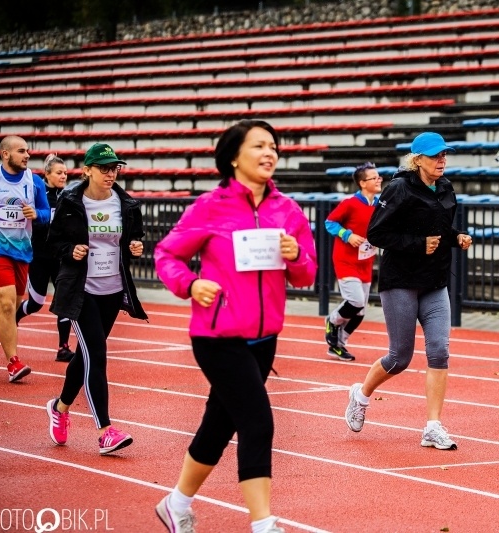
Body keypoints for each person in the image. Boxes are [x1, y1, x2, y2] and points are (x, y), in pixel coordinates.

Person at [154, 119, 317, 533]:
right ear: (232, 157)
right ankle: (263, 524)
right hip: (217, 336)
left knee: (219, 422)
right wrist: (191, 283)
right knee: (257, 421)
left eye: (274, 147)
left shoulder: (288, 211)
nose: (270, 153)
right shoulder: (211, 206)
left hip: (264, 339)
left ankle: (176, 504)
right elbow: (166, 255)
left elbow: (306, 275)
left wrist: (296, 253)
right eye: (259, 146)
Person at [344, 131, 472, 450]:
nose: (442, 160)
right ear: (417, 160)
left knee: (439, 351)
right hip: (400, 280)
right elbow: (377, 233)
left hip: (435, 281)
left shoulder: (445, 187)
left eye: (444, 155)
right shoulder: (399, 188)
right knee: (400, 357)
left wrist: (456, 237)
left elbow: (441, 229)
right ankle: (361, 395)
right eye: (435, 156)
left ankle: (432, 426)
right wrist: (417, 244)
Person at [44, 142, 148, 455]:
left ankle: (59, 407)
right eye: (104, 167)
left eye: (114, 167)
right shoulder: (71, 200)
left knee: (85, 355)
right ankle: (105, 430)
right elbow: (54, 242)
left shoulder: (126, 203)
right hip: (81, 289)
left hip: (113, 290)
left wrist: (134, 247)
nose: (110, 173)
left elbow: (134, 237)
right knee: (97, 355)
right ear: (87, 170)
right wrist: (69, 251)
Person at [0, 135, 51, 382]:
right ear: (5, 154)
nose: (27, 155)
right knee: (5, 303)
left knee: (10, 305)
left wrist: (37, 214)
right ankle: (13, 363)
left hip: (22, 253)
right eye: (21, 151)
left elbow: (46, 214)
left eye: (28, 152)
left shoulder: (34, 182)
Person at [15, 153, 74, 362]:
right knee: (36, 303)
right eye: (59, 172)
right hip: (40, 257)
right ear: (47, 175)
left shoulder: (69, 196)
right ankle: (14, 316)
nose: (63, 176)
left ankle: (63, 348)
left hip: (61, 258)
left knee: (65, 301)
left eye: (65, 173)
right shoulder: (37, 194)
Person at [323, 161, 381, 361]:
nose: (379, 180)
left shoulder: (380, 205)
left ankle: (338, 345)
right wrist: (347, 235)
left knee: (361, 310)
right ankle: (332, 320)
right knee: (355, 301)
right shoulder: (349, 203)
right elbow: (329, 222)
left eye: (379, 176)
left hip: (366, 261)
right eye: (374, 178)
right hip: (346, 260)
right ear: (363, 183)